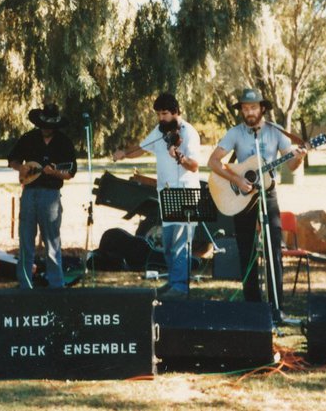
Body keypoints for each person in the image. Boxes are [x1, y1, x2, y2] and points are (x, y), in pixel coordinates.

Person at [207, 88, 306, 321]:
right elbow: (213, 161)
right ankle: (252, 308)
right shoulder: (235, 133)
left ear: (262, 108)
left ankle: (276, 308)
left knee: (273, 252)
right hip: (243, 197)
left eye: (253, 108)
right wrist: (237, 179)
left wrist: (299, 157)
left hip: (268, 196)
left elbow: (291, 166)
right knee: (246, 251)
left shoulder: (277, 133)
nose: (249, 112)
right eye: (245, 108)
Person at [112, 93, 201, 299]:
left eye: (166, 113)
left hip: (184, 191)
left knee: (180, 243)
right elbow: (141, 149)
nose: (162, 118)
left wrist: (179, 156)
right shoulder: (159, 131)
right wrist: (124, 154)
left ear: (176, 112)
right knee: (169, 244)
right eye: (159, 114)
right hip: (167, 192)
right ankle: (173, 282)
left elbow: (194, 166)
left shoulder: (189, 133)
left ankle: (180, 287)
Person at [8, 103, 77, 289]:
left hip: (51, 196)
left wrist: (54, 173)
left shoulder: (64, 142)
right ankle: (25, 285)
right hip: (29, 193)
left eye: (51, 125)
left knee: (52, 242)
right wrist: (20, 167)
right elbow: (12, 160)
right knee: (26, 240)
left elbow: (71, 172)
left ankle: (56, 285)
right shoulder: (28, 138)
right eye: (44, 124)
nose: (47, 129)